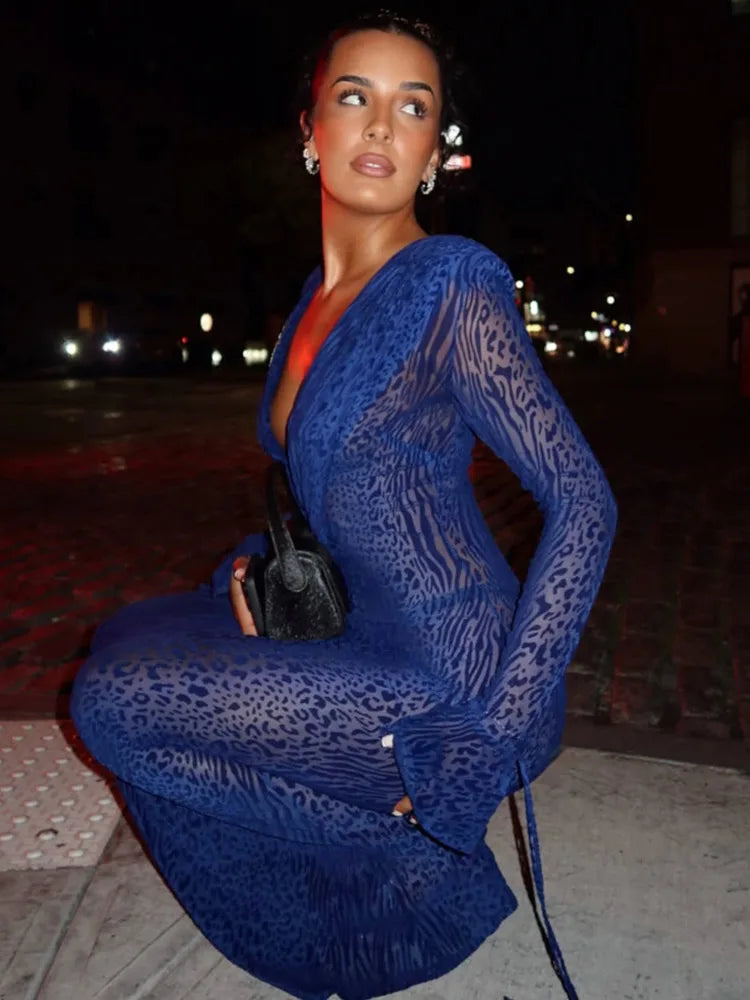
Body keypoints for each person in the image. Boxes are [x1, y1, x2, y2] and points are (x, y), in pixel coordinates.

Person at [71, 12, 617, 1000]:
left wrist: (487, 739)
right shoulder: (310, 305)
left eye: (413, 108)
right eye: (354, 97)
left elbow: (584, 502)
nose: (380, 125)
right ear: (310, 131)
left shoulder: (451, 284)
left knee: (111, 706)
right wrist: (253, 568)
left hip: (454, 675)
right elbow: (326, 490)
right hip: (358, 627)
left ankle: (414, 845)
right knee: (123, 634)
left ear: (434, 155)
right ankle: (378, 832)